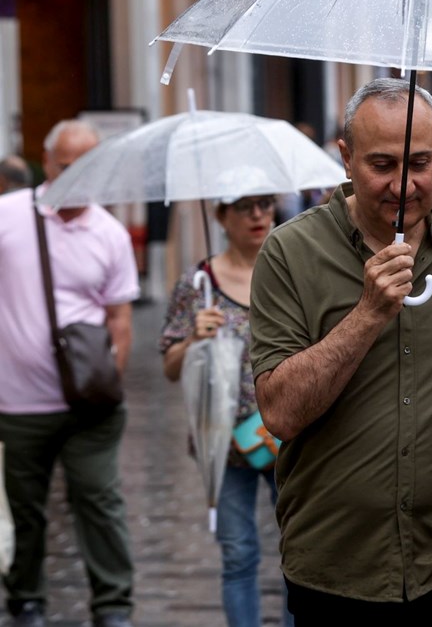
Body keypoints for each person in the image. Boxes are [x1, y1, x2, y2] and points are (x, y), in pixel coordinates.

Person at [248, 78, 432, 624]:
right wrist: (368, 313)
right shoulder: (289, 252)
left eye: (420, 163)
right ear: (345, 158)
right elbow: (280, 414)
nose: (403, 185)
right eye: (381, 165)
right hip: (338, 568)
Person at [0, 120, 138, 627]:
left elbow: (119, 319)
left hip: (89, 407)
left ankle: (113, 605)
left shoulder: (110, 233)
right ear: (46, 161)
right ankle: (26, 598)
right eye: (65, 166)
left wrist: (108, 381)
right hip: (17, 404)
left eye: (89, 166)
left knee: (99, 500)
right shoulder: (7, 216)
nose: (77, 177)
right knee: (25, 510)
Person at [159, 194, 292, 627]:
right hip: (222, 439)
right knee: (238, 555)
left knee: (300, 556)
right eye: (244, 207)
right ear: (221, 216)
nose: (257, 215)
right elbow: (170, 368)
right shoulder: (198, 284)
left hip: (286, 435)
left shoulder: (291, 270)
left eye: (265, 205)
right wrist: (193, 339)